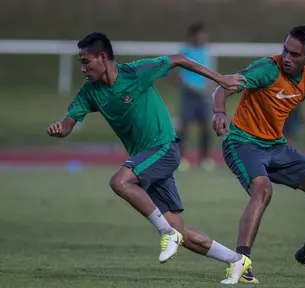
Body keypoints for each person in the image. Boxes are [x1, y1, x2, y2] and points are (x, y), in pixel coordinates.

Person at [46, 32, 252, 285]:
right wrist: (59, 128)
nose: (82, 68)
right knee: (181, 232)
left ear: (102, 57)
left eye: (86, 61)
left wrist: (221, 79)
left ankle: (165, 233)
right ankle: (237, 261)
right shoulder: (90, 92)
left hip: (163, 147)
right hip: (146, 160)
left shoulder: (135, 72)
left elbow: (178, 59)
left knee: (120, 182)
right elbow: (68, 124)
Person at [212, 26, 305, 282]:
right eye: (285, 50)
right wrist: (219, 112)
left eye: (295, 54)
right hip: (242, 142)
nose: (287, 58)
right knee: (263, 189)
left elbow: (280, 106)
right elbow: (222, 88)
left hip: (277, 147)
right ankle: (241, 262)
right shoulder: (266, 69)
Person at [177, 22, 215, 171]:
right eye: (199, 35)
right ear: (192, 36)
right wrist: (191, 87)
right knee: (184, 126)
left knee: (206, 126)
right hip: (189, 94)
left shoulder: (207, 51)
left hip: (203, 95)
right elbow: (181, 74)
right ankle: (179, 158)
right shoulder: (184, 51)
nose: (202, 38)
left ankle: (204, 159)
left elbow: (209, 70)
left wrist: (209, 86)